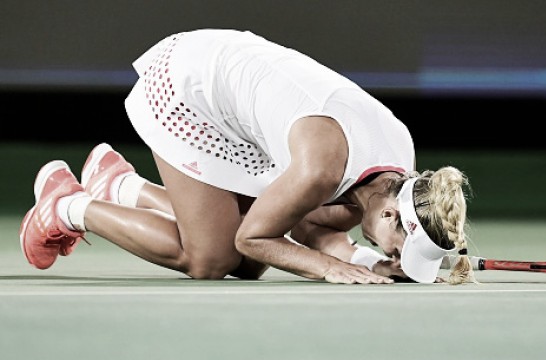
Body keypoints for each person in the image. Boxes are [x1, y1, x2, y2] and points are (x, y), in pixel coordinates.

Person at [20, 29, 474, 284]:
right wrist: (328, 267)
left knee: (251, 269)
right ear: (393, 215)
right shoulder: (322, 165)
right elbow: (253, 237)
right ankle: (66, 207)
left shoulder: (397, 159)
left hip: (244, 105)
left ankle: (121, 186)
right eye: (401, 246)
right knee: (211, 259)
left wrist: (365, 261)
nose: (396, 253)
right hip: (187, 88)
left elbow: (308, 223)